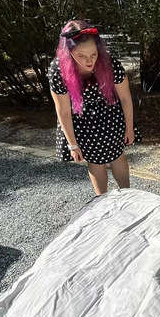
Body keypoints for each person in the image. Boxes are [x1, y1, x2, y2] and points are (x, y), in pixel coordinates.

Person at [48, 19, 142, 196]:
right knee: (95, 161)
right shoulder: (58, 70)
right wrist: (72, 144)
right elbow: (63, 111)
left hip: (110, 114)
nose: (89, 61)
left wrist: (129, 127)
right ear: (69, 52)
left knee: (117, 155)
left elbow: (125, 97)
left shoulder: (109, 62)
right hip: (81, 120)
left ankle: (128, 197)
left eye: (93, 54)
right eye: (82, 56)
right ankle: (102, 202)